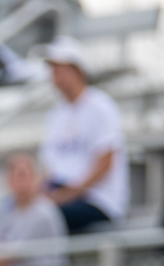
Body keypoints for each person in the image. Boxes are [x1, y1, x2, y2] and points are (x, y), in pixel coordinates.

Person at [36, 37, 127, 232]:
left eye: (58, 68)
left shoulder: (101, 107)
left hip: (98, 200)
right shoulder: (55, 114)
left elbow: (105, 163)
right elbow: (49, 168)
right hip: (63, 195)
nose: (53, 75)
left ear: (75, 71)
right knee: (14, 211)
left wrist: (68, 194)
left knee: (41, 217)